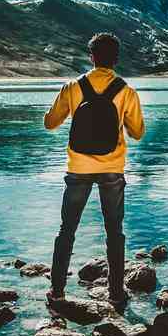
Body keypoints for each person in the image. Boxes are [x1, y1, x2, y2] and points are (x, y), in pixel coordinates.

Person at [43, 32, 145, 308]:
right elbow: (137, 133)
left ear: (91, 57)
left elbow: (50, 123)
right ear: (116, 59)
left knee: (67, 229)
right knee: (115, 230)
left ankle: (57, 291)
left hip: (78, 167)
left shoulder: (72, 87)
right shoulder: (126, 91)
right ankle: (116, 292)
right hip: (113, 168)